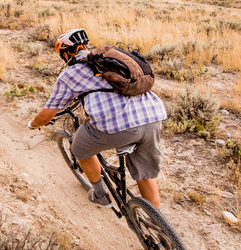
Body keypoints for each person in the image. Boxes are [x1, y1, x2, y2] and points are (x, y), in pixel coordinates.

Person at [27, 28, 167, 209]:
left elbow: (46, 115)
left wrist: (33, 124)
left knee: (79, 147)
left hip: (120, 125)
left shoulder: (71, 73)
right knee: (146, 175)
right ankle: (158, 227)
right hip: (152, 116)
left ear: (65, 53)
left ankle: (101, 195)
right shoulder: (110, 59)